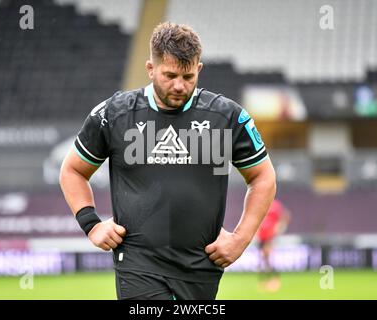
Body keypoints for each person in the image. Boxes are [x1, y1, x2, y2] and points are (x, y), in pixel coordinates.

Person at [59, 22, 276, 300]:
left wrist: (240, 240)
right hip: (138, 263)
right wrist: (92, 224)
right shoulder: (113, 114)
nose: (179, 86)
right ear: (151, 69)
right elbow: (73, 170)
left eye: (188, 77)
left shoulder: (228, 117)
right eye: (169, 75)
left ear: (199, 69)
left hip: (202, 265)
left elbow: (263, 177)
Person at [256, 199, 291, 293]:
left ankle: (273, 280)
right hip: (261, 236)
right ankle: (268, 281)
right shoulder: (261, 204)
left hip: (269, 236)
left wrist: (280, 227)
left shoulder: (275, 205)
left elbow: (285, 215)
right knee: (264, 259)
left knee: (266, 256)